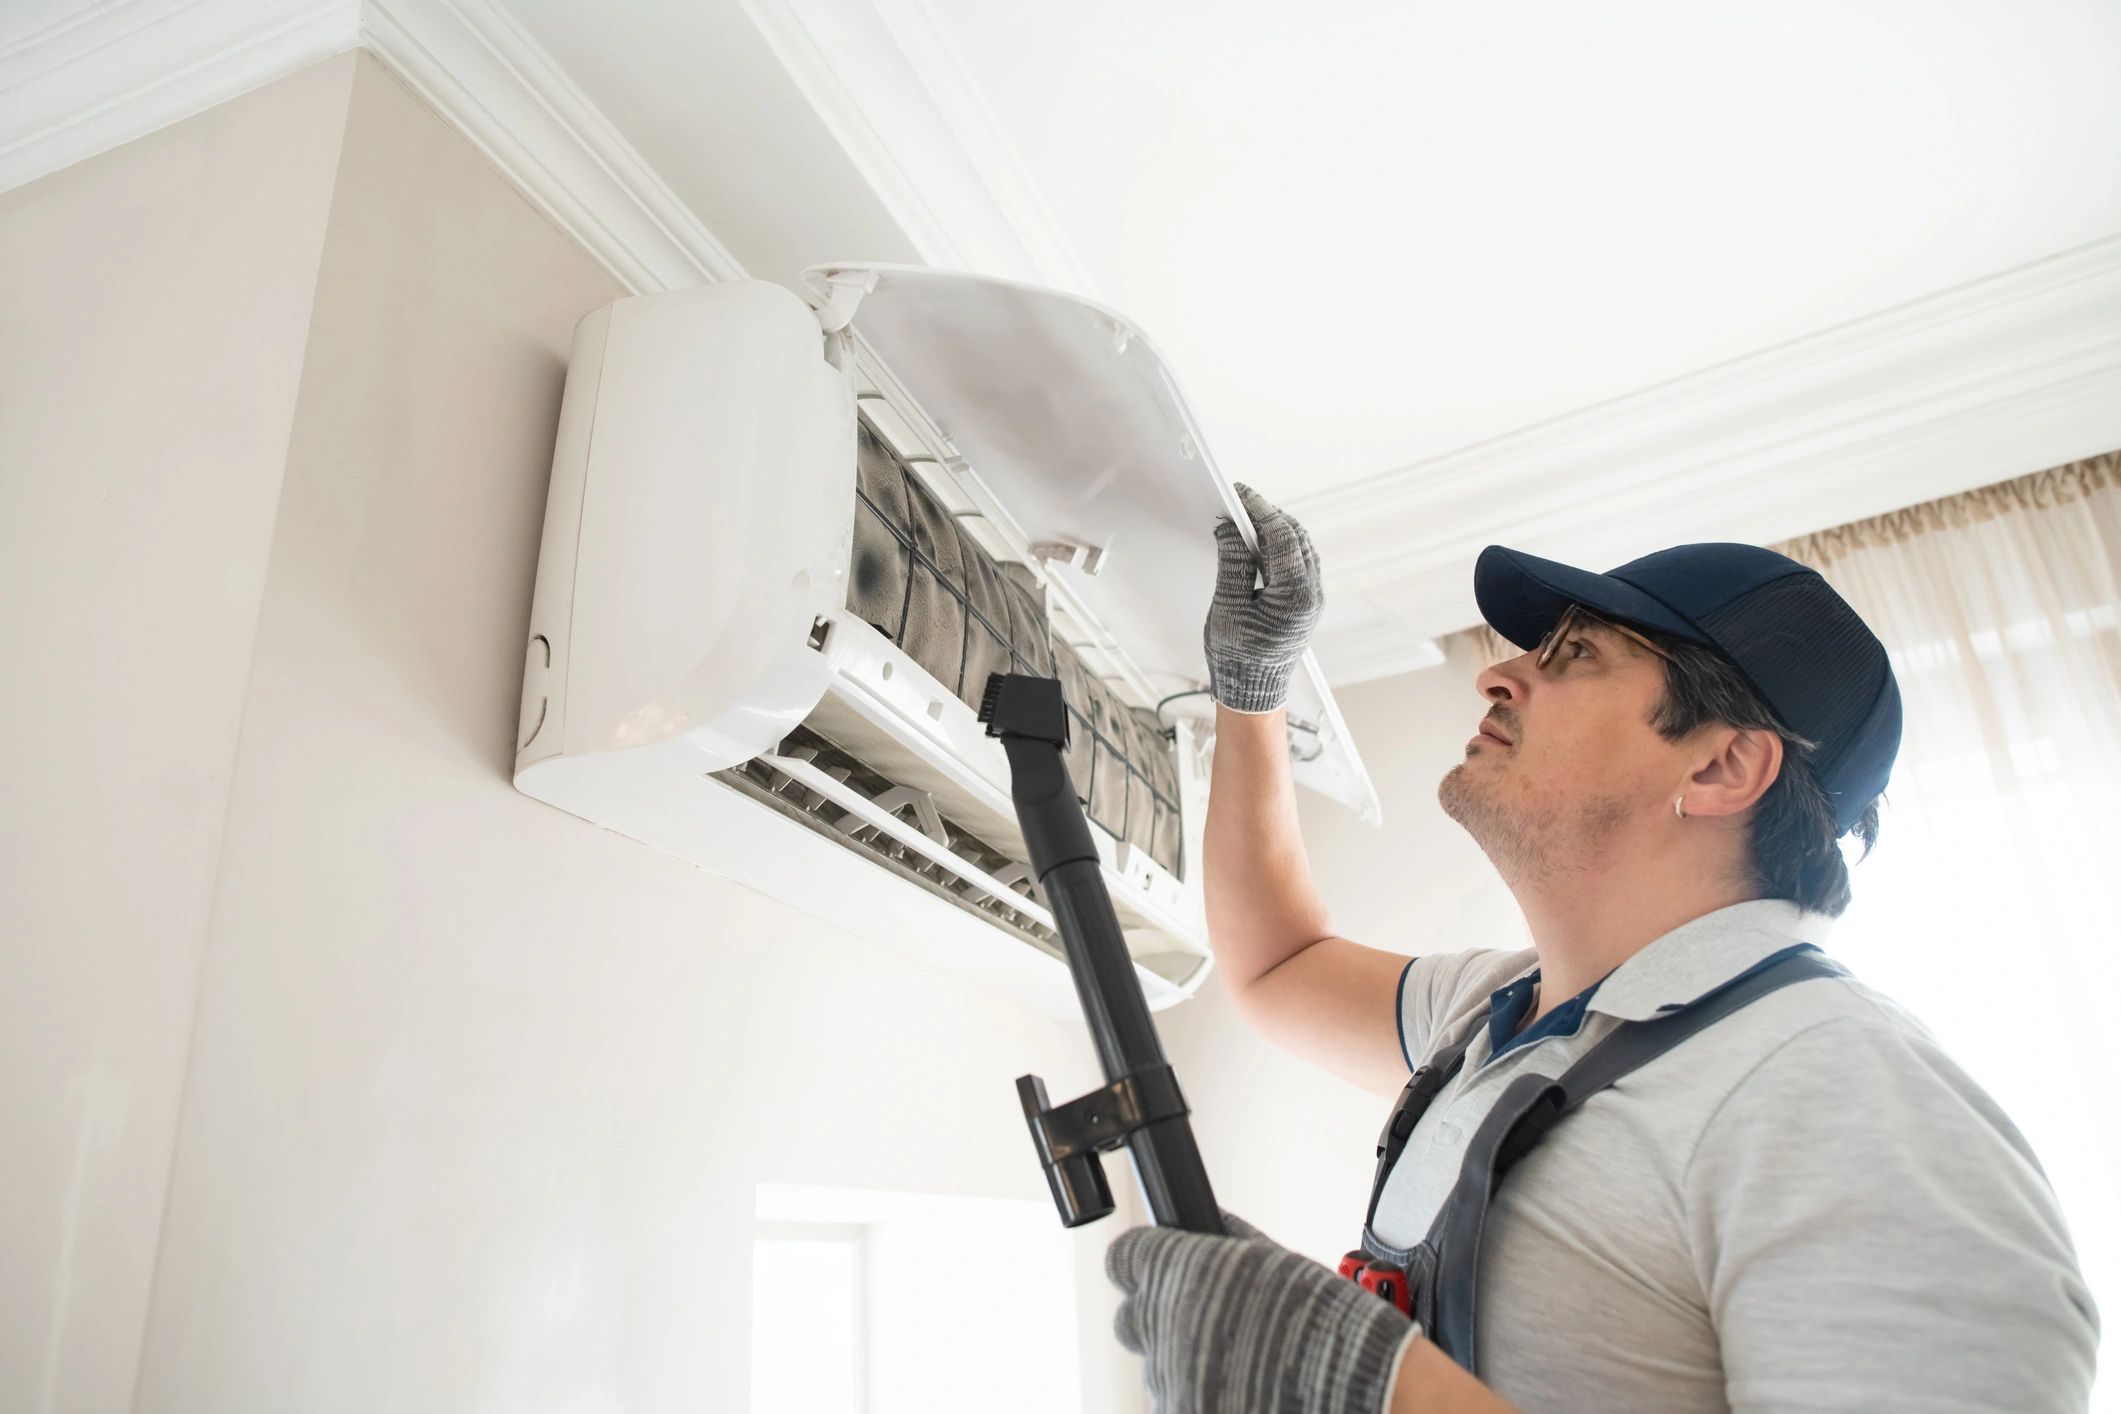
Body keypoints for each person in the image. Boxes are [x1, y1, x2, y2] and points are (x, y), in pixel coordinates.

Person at [1103, 485, 2099, 1414]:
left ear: (1719, 764)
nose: (1500, 671)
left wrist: (1375, 1384)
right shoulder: (1498, 1014)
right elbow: (1280, 967)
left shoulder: (1851, 1103)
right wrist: (1251, 688)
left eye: (1576, 654)